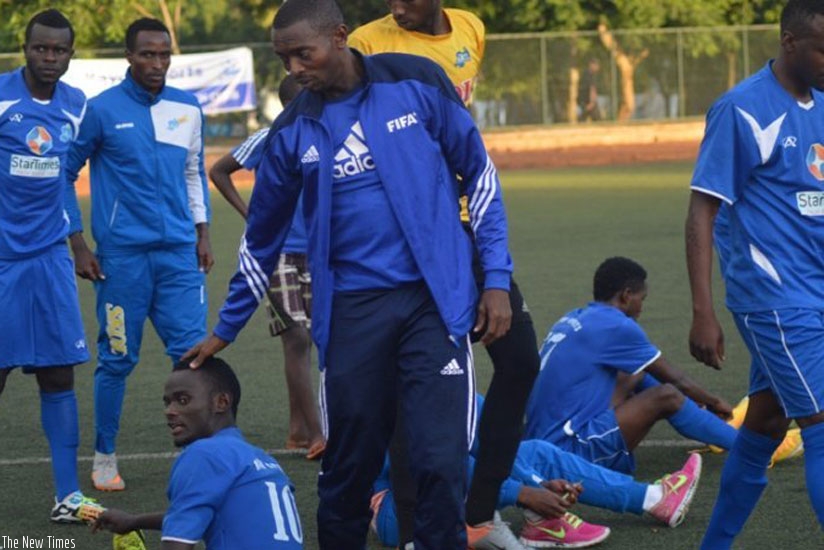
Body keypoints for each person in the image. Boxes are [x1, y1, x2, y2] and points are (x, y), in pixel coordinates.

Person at [184, 0, 514, 547]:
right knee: (348, 468)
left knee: (440, 462)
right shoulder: (293, 129)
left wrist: (496, 278)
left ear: (339, 38)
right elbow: (261, 238)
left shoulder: (416, 81)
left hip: (433, 304)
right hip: (352, 313)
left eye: (302, 54)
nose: (293, 69)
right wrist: (227, 327)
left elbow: (479, 175)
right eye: (283, 59)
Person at [350, 4, 541, 547]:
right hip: (412, 237)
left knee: (520, 361)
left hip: (467, 225)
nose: (396, 6)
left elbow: (464, 138)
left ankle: (478, 512)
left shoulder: (472, 29)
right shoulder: (367, 42)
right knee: (412, 385)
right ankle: (415, 531)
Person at [685, 0, 824, 546]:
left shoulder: (821, 104)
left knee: (765, 423)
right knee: (821, 426)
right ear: (789, 42)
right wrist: (702, 311)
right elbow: (702, 211)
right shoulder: (741, 109)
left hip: (814, 290)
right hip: (775, 297)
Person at [65, 17, 212, 492]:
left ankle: (201, 456)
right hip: (122, 260)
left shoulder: (187, 106)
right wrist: (79, 243)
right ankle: (104, 455)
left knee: (194, 356)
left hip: (179, 256)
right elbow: (65, 173)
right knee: (117, 359)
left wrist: (203, 232)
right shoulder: (102, 109)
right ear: (129, 56)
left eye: (164, 54)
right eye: (148, 54)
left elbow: (193, 172)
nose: (158, 63)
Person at [0, 9, 104, 523]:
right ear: (25, 48)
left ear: (70, 54)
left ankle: (68, 497)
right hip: (3, 260)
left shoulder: (75, 105)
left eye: (59, 50)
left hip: (49, 258)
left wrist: (77, 243)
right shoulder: (2, 96)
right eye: (41, 48)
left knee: (59, 373)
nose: (50, 57)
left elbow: (63, 175)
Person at [371, 395, 703, 549]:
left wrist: (537, 483)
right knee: (460, 462)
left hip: (443, 487)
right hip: (398, 511)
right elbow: (438, 463)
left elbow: (496, 441)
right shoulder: (407, 374)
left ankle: (653, 498)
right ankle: (532, 520)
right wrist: (523, 492)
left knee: (535, 453)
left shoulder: (451, 368)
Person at [525, 257, 739, 475]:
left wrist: (695, 402)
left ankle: (716, 429)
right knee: (667, 396)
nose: (641, 307)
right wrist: (713, 401)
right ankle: (745, 447)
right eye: (641, 299)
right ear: (626, 295)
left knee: (636, 373)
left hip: (538, 449)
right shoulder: (616, 325)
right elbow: (677, 380)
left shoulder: (574, 317)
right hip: (567, 454)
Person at [209, 75, 325, 460]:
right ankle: (317, 434)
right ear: (292, 104)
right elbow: (219, 170)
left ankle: (298, 429)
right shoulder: (270, 136)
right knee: (297, 338)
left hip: (321, 253)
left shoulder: (326, 134)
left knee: (320, 336)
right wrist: (253, 215)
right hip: (277, 253)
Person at [90, 357, 303, 549]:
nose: (169, 411)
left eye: (183, 400)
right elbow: (211, 514)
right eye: (167, 402)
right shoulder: (263, 460)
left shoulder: (205, 454)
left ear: (222, 402)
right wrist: (134, 522)